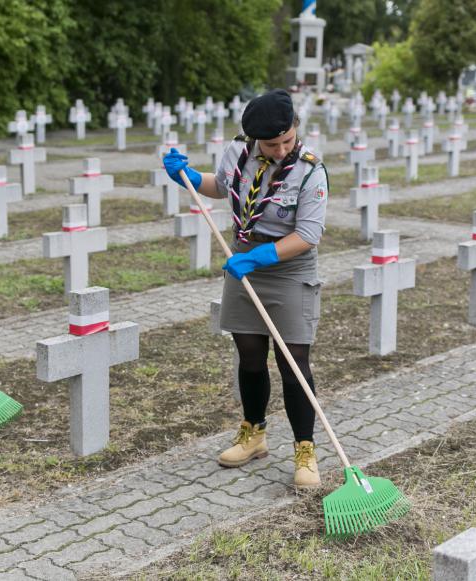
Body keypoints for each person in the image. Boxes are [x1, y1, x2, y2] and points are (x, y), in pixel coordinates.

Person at [162, 89, 329, 490]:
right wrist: (185, 175)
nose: (281, 149)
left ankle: (304, 450)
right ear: (254, 139)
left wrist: (258, 259)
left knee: (293, 362)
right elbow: (222, 187)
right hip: (243, 260)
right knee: (250, 354)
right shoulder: (238, 153)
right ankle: (253, 434)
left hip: (288, 268)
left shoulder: (310, 171)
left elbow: (308, 234)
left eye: (288, 139)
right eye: (272, 145)